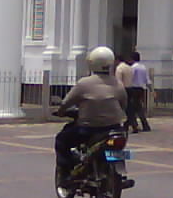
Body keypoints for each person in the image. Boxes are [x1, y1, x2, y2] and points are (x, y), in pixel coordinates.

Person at [54, 46, 126, 175]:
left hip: (89, 129)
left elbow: (66, 102)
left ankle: (66, 168)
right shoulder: (117, 83)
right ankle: (118, 172)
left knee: (61, 139)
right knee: (118, 148)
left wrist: (60, 111)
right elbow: (123, 104)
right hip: (115, 128)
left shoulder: (84, 83)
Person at [126, 52, 151, 133]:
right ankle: (145, 125)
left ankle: (134, 125)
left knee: (131, 108)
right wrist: (151, 89)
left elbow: (130, 77)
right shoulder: (143, 67)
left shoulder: (133, 68)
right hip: (141, 89)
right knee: (139, 107)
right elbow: (147, 80)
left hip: (133, 89)